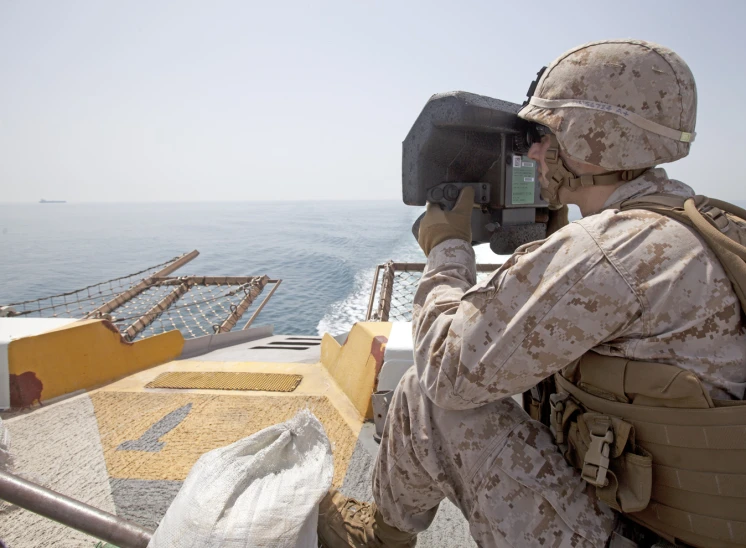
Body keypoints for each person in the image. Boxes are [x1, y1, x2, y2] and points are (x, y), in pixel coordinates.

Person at [318, 39, 746, 548]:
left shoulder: (607, 251)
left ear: (594, 138)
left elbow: (447, 368)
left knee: (428, 397)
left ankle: (379, 539)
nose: (535, 151)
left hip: (642, 533)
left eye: (547, 133)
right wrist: (549, 245)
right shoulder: (700, 222)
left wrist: (446, 245)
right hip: (688, 523)